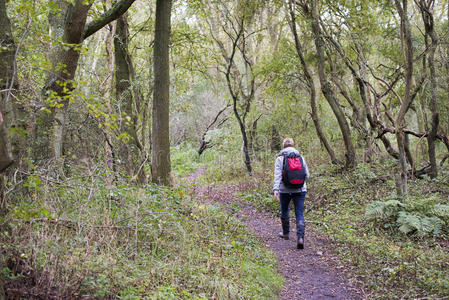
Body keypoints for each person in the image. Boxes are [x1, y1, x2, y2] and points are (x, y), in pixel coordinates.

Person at [273, 138, 309, 249]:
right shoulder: (300, 157)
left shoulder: (280, 158)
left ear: (283, 146)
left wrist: (276, 190)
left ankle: (286, 233)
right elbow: (307, 175)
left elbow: (278, 175)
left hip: (285, 190)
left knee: (284, 210)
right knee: (299, 213)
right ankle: (300, 238)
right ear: (293, 146)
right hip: (300, 189)